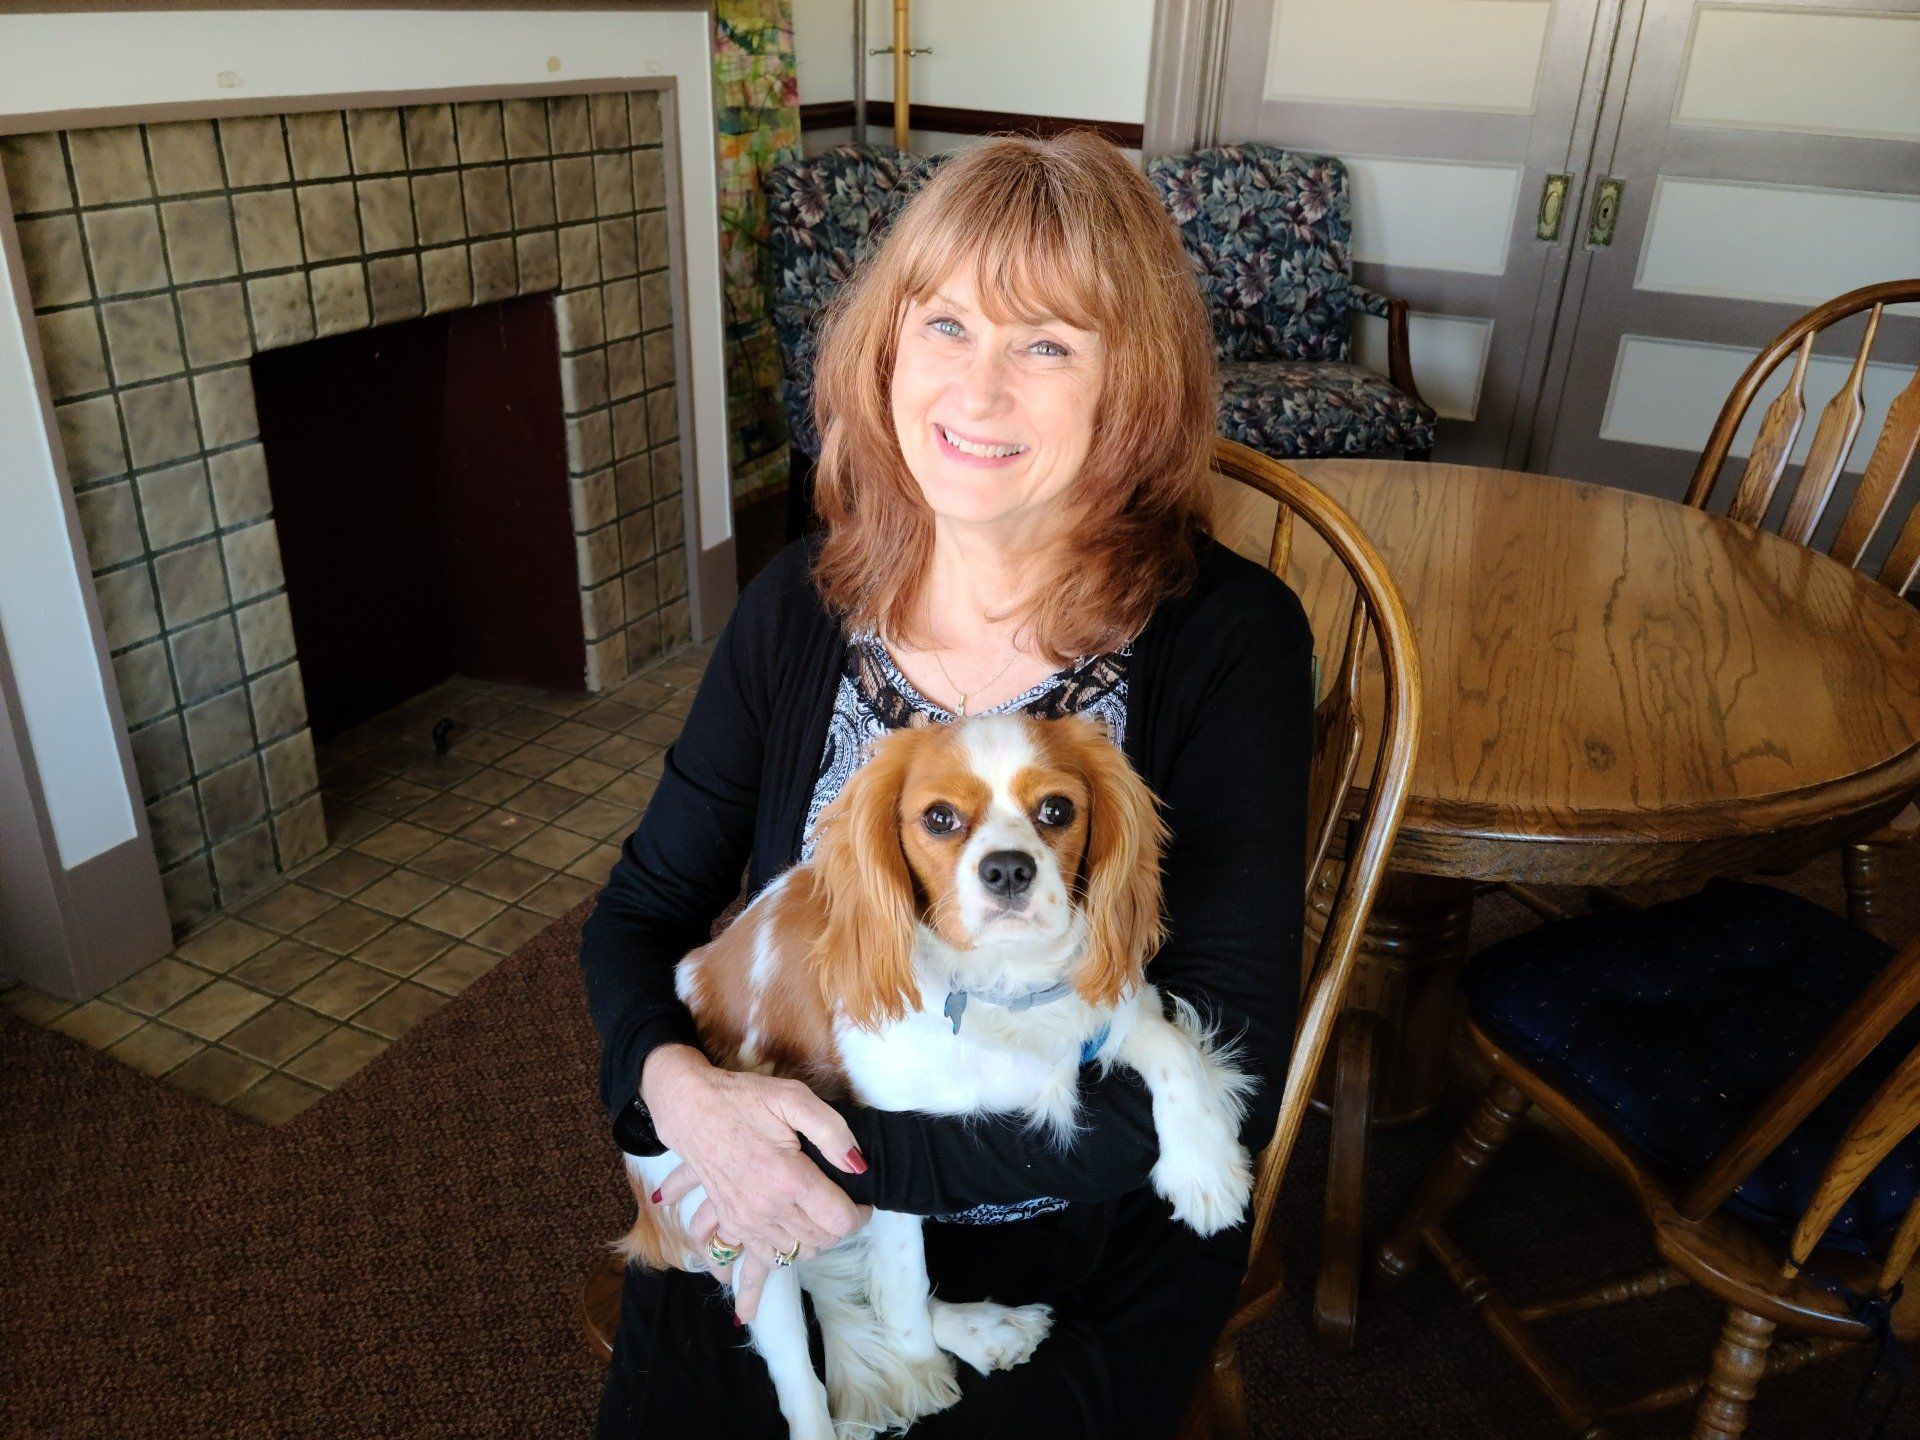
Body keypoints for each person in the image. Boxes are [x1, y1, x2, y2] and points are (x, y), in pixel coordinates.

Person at [579, 131, 1313, 1440]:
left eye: (1048, 345)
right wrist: (684, 1099)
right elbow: (641, 916)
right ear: (887, 348)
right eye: (948, 325)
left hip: (1083, 1205)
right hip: (776, 1165)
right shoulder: (799, 606)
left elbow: (1227, 1033)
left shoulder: (1229, 638)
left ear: (1126, 390)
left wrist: (836, 1168)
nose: (979, 388)